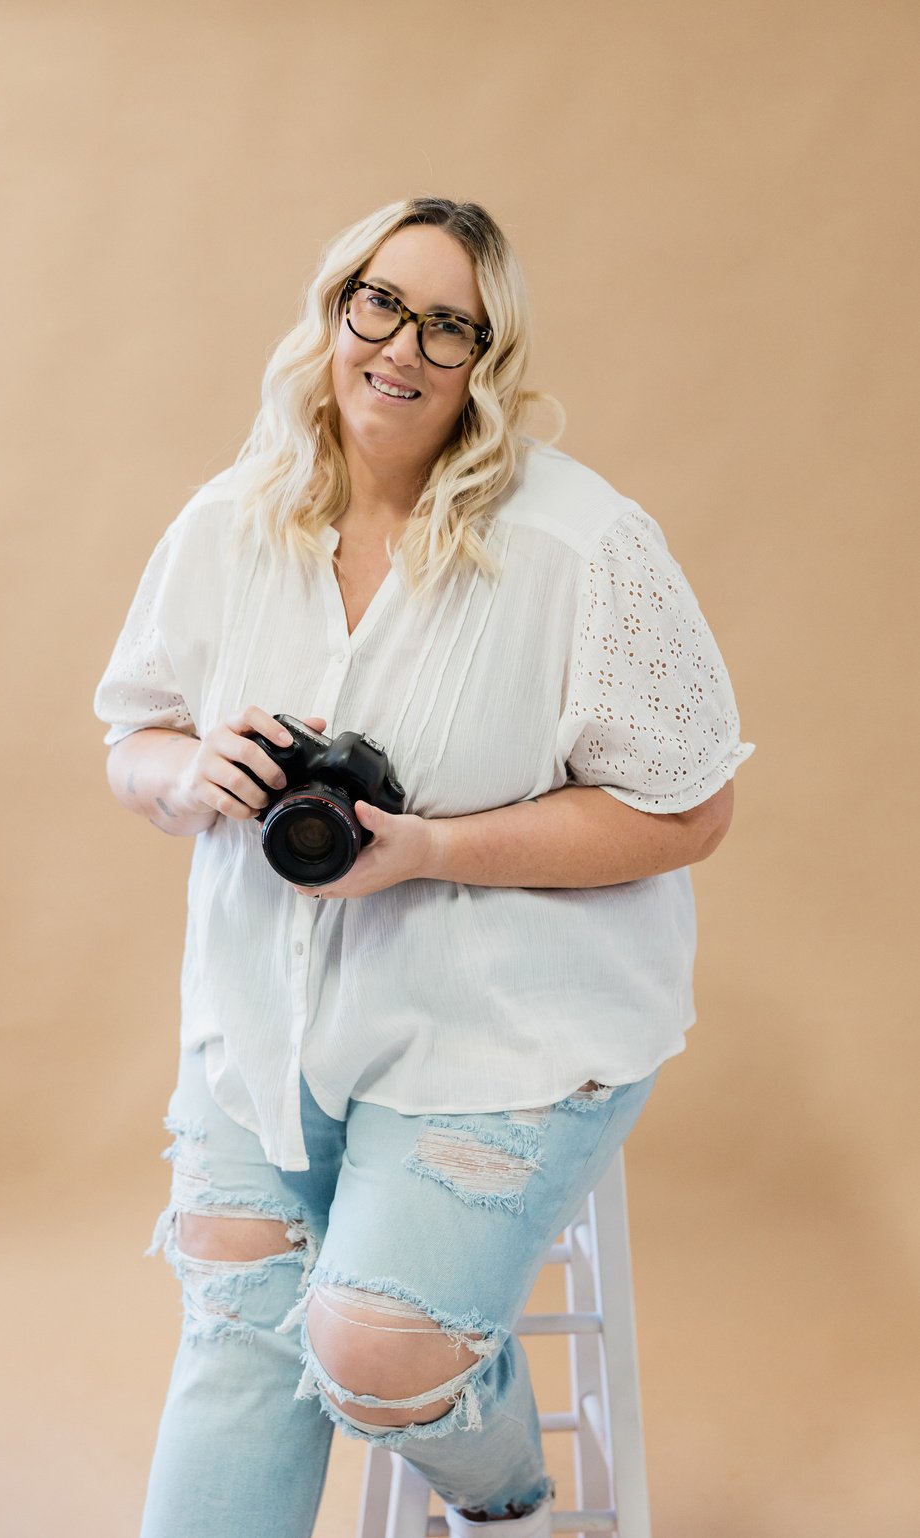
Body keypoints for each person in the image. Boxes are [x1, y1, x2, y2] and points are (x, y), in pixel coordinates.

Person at [93, 195, 755, 1538]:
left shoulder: (576, 544)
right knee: (239, 1327)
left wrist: (429, 848)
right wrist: (189, 773)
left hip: (505, 1021)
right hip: (264, 1021)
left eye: (448, 325)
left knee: (374, 1348)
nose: (400, 345)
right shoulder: (229, 522)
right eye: (377, 302)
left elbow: (689, 810)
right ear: (334, 310)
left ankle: (504, 1506)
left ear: (485, 361)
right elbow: (133, 736)